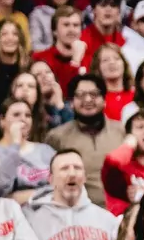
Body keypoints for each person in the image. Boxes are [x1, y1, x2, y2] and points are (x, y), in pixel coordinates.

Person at [46, 74, 128, 207]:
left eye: (94, 94)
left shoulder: (122, 132)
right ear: (71, 103)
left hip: (120, 210)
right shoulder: (56, 137)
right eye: (80, 95)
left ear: (104, 100)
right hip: (76, 211)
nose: (88, 99)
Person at [0, 99, 56, 201]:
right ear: (2, 121)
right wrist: (15, 145)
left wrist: (32, 195)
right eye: (16, 115)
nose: (23, 119)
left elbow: (62, 185)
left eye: (28, 115)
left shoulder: (46, 150)